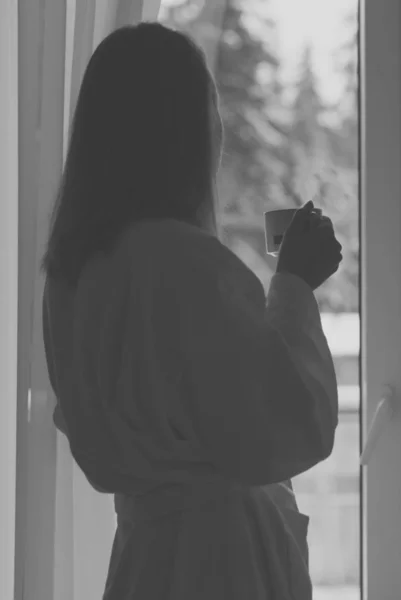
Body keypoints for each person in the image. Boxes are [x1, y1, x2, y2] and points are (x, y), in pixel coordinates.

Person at [41, 22, 342, 600]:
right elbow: (283, 424)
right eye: (211, 102)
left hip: (144, 557)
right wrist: (297, 284)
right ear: (184, 130)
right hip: (219, 564)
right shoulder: (180, 262)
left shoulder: (72, 270)